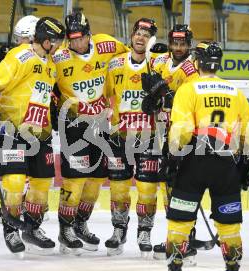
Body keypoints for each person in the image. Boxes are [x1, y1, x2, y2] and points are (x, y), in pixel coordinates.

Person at [0, 17, 65, 256]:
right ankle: (12, 228)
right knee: (14, 182)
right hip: (12, 130)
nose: (59, 46)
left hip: (39, 133)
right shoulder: (21, 56)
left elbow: (44, 92)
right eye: (56, 41)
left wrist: (53, 109)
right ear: (45, 41)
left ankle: (32, 228)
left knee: (42, 184)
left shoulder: (51, 64)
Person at [164, 42, 249, 271]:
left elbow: (182, 130)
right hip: (225, 163)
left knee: (181, 218)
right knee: (229, 221)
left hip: (194, 162)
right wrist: (246, 163)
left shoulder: (189, 88)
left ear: (198, 62)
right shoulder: (234, 91)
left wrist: (172, 160)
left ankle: (176, 262)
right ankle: (233, 262)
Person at [51, 11, 129, 254]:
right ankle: (65, 229)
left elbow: (130, 60)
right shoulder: (59, 56)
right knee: (74, 180)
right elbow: (40, 77)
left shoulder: (107, 45)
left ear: (89, 34)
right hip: (74, 126)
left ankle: (80, 223)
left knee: (96, 180)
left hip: (101, 125)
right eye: (71, 39)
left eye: (80, 38)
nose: (76, 43)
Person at [141, 24, 200, 261]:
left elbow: (188, 101)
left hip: (184, 135)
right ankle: (175, 237)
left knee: (180, 186)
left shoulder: (192, 69)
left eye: (182, 44)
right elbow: (152, 93)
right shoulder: (160, 61)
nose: (178, 48)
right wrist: (152, 98)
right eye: (174, 43)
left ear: (189, 44)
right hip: (164, 134)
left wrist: (164, 93)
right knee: (169, 187)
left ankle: (186, 238)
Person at [104, 18, 161, 257]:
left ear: (152, 40)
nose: (140, 38)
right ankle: (119, 229)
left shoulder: (158, 64)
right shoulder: (115, 63)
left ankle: (144, 231)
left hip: (149, 135)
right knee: (118, 188)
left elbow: (169, 99)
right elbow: (106, 95)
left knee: (147, 188)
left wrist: (159, 96)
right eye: (138, 32)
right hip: (120, 135)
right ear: (132, 35)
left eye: (146, 35)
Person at [0, 15, 41, 224]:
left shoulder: (42, 58)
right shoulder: (18, 55)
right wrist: (4, 60)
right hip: (13, 118)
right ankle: (13, 203)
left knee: (30, 171)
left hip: (34, 121)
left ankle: (27, 205)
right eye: (17, 38)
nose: (19, 43)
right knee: (14, 169)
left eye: (23, 39)